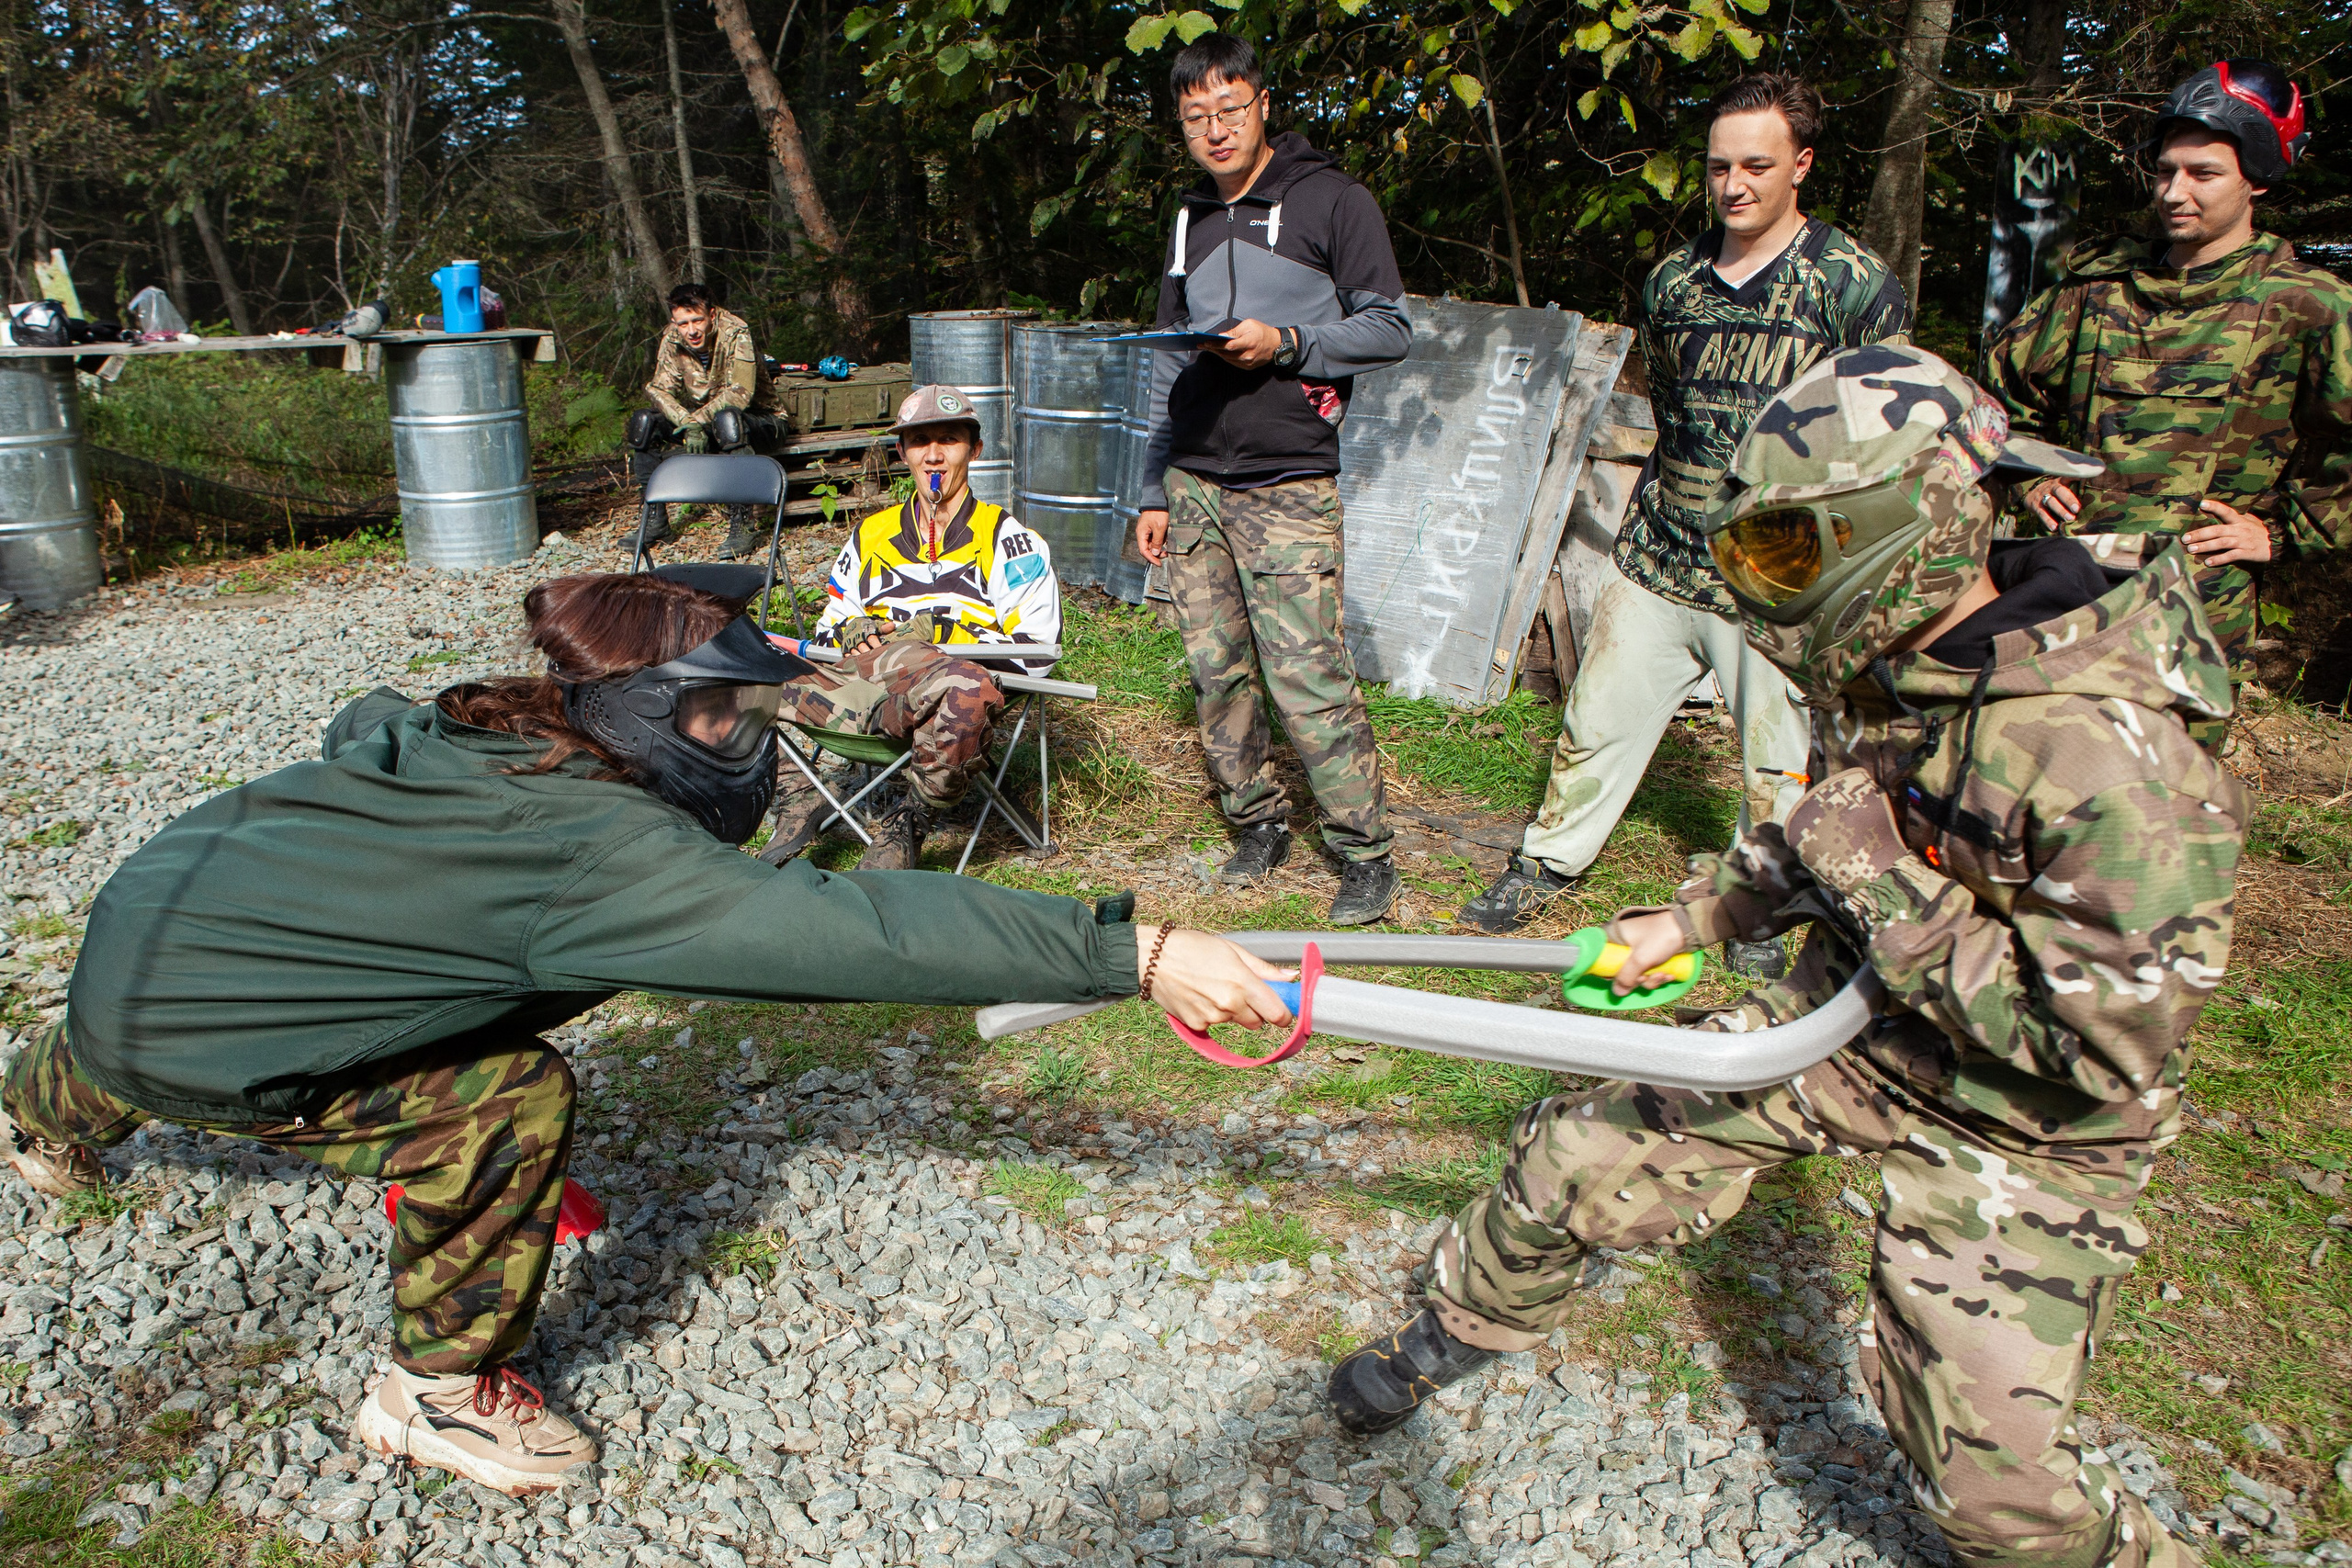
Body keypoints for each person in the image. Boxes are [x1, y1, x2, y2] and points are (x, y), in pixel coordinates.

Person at [1, 570, 1289, 1499]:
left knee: (271, 990)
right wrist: (1136, 950)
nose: (742, 740)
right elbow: (852, 930)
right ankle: (441, 1390)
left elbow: (364, 715)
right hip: (197, 1029)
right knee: (506, 1098)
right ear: (639, 710)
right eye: (722, 717)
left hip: (138, 946)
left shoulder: (487, 724)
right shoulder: (593, 848)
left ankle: (43, 1108)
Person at [1329, 344, 2242, 1568]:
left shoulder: (2110, 752)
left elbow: (2098, 1044)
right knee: (1584, 1145)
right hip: (1861, 1032)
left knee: (1998, 1513)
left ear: (1906, 521)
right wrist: (1698, 917)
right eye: (1765, 550)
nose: (1778, 584)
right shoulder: (1925, 654)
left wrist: (1883, 877)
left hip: (2026, 1119)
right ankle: (1448, 1332)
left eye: (1795, 550)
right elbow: (1831, 825)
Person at [1456, 73, 1911, 986]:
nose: (1733, 184)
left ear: (1802, 166)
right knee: (1594, 720)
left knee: (1773, 758)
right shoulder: (1673, 280)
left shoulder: (1853, 286)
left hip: (1778, 570)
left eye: (1756, 165)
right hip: (1665, 550)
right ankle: (1545, 861)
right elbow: (1671, 405)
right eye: (1718, 167)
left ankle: (1756, 909)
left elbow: (1882, 431)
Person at [1130, 33, 1413, 928]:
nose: (1214, 130)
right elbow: (1166, 363)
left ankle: (1364, 853)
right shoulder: (1187, 221)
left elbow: (1390, 327)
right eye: (1195, 117)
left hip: (1289, 480)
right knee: (1216, 671)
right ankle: (1255, 826)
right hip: (1194, 482)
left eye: (1229, 109)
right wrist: (1150, 483)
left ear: (1261, 105)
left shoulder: (1333, 201)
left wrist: (1288, 345)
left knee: (1308, 674)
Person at [1985, 58, 2352, 691]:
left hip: (2198, 610)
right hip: (2069, 590)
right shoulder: (2096, 288)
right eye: (2164, 172)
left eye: (2203, 174)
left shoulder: (2309, 305)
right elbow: (1996, 397)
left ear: (2256, 180)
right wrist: (2027, 478)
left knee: (2167, 784)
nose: (2174, 193)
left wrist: (2285, 531)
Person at [768, 384, 1062, 871]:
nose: (934, 455)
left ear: (975, 449)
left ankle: (910, 819)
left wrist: (941, 637)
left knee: (965, 685)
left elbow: (1039, 652)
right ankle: (799, 796)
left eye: (948, 439)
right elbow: (827, 631)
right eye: (920, 441)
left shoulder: (1009, 540)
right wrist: (849, 629)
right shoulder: (869, 535)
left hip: (944, 692)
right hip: (857, 688)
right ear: (902, 451)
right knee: (731, 668)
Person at [627, 282, 784, 561]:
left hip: (762, 420)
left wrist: (697, 421)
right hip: (707, 423)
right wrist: (687, 421)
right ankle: (655, 520)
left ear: (711, 314)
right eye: (683, 323)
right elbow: (659, 389)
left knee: (728, 421)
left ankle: (744, 525)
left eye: (697, 320)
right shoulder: (673, 339)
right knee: (643, 422)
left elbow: (740, 393)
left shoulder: (736, 332)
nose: (691, 330)